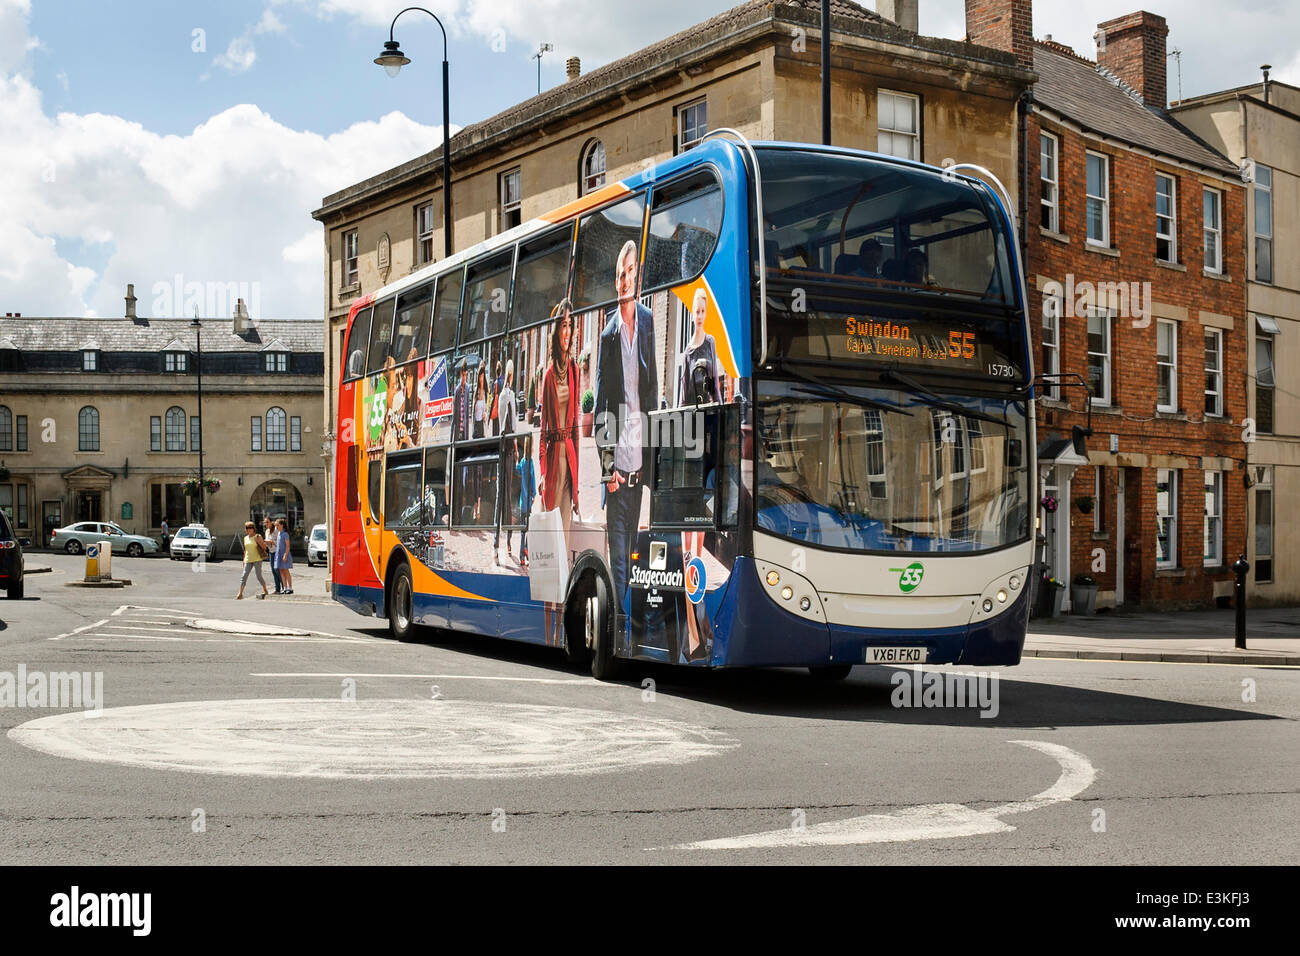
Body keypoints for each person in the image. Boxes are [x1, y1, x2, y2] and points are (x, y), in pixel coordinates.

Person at [594, 240, 658, 617]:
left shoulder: (649, 322)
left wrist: (652, 470)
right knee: (619, 565)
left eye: (630, 271)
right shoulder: (608, 336)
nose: (625, 279)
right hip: (618, 474)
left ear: (638, 275)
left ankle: (627, 632)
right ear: (615, 281)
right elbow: (602, 407)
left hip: (639, 472)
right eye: (620, 274)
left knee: (634, 562)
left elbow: (651, 396)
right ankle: (619, 635)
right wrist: (607, 473)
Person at [539, 299, 582, 646]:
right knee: (551, 548)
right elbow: (542, 431)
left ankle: (561, 629)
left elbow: (578, 429)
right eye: (563, 327)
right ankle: (546, 626)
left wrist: (578, 483)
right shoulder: (548, 374)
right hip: (552, 461)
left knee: (565, 546)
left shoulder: (576, 371)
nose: (567, 332)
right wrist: (542, 472)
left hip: (569, 461)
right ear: (556, 332)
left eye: (570, 326)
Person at [678, 287, 723, 405]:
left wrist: (722, 412)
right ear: (692, 313)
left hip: (706, 406)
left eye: (703, 311)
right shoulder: (687, 352)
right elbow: (684, 390)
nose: (700, 316)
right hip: (691, 409)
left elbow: (715, 383)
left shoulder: (710, 342)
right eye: (697, 311)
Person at [514, 431, 536, 568]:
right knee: (528, 529)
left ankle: (522, 555)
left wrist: (516, 458)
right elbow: (532, 481)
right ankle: (525, 550)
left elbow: (517, 470)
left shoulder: (522, 462)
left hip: (522, 501)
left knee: (524, 530)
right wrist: (534, 495)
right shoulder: (531, 463)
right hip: (528, 502)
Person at [236, 521, 269, 600]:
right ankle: (240, 593)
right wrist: (244, 560)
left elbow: (264, 548)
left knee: (259, 576)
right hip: (248, 559)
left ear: (253, 529)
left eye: (250, 528)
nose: (249, 530)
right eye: (247, 528)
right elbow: (245, 550)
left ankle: (265, 589)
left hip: (257, 559)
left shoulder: (257, 536)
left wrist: (259, 542)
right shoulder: (245, 538)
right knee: (244, 576)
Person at [273, 517, 294, 595]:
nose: (276, 527)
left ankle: (290, 588)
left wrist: (285, 555)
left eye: (277, 525)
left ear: (282, 525)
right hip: (279, 554)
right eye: (275, 525)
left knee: (286, 570)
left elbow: (288, 546)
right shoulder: (278, 533)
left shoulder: (285, 534)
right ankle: (284, 588)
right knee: (281, 570)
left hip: (284, 554)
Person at [263, 516, 282, 594]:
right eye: (265, 522)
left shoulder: (276, 530)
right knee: (273, 571)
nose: (266, 524)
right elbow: (267, 543)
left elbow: (279, 542)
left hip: (277, 551)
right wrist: (266, 543)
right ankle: (277, 589)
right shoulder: (267, 531)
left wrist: (271, 542)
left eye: (267, 522)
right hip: (271, 552)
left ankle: (284, 586)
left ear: (271, 522)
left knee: (277, 570)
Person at [473, 366, 488, 439]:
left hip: (482, 424)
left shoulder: (486, 391)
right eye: (480, 376)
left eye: (482, 376)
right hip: (476, 424)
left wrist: (485, 413)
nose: (481, 378)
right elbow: (473, 410)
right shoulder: (476, 390)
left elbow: (487, 407)